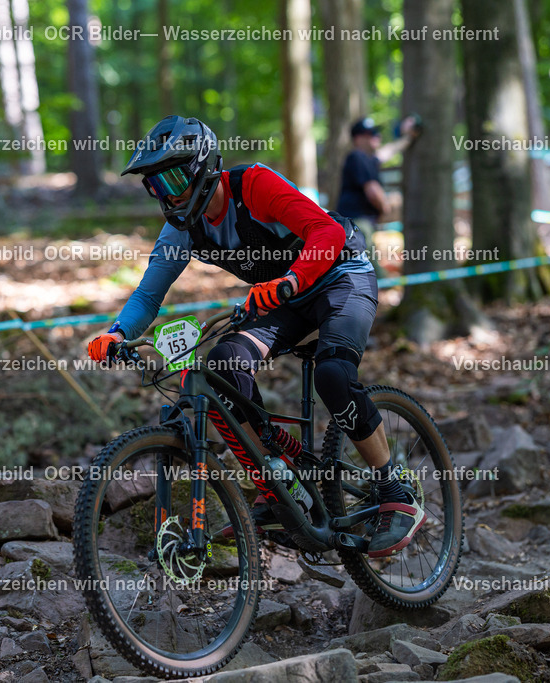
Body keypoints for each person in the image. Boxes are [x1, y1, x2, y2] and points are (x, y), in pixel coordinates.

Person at [86, 116, 423, 558]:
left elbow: (328, 231)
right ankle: (278, 480)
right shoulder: (182, 229)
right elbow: (149, 294)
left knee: (334, 375)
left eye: (171, 178)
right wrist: (117, 334)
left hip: (341, 274)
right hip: (284, 295)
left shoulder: (254, 185)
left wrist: (290, 281)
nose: (165, 194)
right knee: (223, 368)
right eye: (154, 186)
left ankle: (394, 488)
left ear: (201, 167)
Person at [335, 116, 419, 236]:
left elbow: (389, 151)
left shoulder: (369, 159)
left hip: (358, 223)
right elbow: (372, 189)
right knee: (365, 254)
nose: (377, 136)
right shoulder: (357, 157)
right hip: (357, 223)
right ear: (358, 138)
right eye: (371, 133)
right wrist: (386, 208)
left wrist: (408, 137)